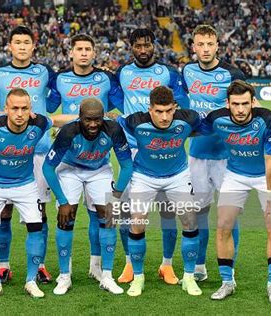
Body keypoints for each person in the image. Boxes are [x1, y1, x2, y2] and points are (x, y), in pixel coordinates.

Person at [46, 33, 124, 281]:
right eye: (78, 48)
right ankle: (64, 274)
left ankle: (96, 265)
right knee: (67, 215)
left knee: (98, 214)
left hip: (97, 149)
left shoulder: (106, 78)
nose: (83, 53)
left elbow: (119, 105)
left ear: (93, 53)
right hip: (69, 147)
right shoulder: (61, 78)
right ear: (71, 52)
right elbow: (47, 107)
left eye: (87, 49)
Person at [0, 25, 56, 284]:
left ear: (33, 46)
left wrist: (43, 115)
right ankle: (4, 265)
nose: (22, 46)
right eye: (17, 42)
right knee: (4, 212)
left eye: (27, 42)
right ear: (9, 46)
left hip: (40, 150)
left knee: (40, 211)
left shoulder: (45, 72)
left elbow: (58, 95)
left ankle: (41, 265)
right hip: (6, 150)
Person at [115, 28, 189, 284]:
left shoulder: (167, 73)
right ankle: (129, 263)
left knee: (168, 211)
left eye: (147, 45)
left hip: (164, 149)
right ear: (131, 46)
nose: (143, 50)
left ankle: (166, 265)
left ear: (154, 45)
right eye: (138, 46)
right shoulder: (122, 73)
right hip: (132, 150)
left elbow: (182, 104)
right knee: (126, 211)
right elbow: (115, 99)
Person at [200, 80, 271, 303]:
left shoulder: (267, 119)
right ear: (227, 103)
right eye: (235, 104)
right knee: (223, 225)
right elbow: (193, 129)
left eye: (245, 104)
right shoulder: (216, 118)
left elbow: (270, 162)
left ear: (253, 102)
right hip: (235, 175)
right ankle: (227, 282)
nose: (240, 109)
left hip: (267, 175)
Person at [118, 86, 202, 297]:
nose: (164, 117)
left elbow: (215, 122)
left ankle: (189, 277)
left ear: (175, 107)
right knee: (137, 223)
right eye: (158, 111)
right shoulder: (135, 121)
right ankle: (138, 278)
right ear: (150, 109)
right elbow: (107, 122)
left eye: (168, 111)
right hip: (144, 176)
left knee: (190, 221)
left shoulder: (188, 119)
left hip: (178, 176)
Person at [43, 98, 133, 295]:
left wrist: (115, 196)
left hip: (99, 170)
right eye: (88, 120)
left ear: (103, 117)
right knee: (67, 218)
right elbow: (47, 167)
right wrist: (63, 202)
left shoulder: (113, 130)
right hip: (70, 169)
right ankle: (64, 276)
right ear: (80, 118)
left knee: (107, 216)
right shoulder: (68, 131)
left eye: (97, 120)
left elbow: (127, 166)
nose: (93, 125)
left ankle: (104, 274)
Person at [0, 88, 53, 299]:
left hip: (25, 184)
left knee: (36, 228)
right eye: (15, 108)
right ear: (5, 109)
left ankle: (30, 280)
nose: (19, 113)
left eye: (24, 108)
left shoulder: (40, 123)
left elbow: (58, 120)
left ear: (31, 110)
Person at [182, 24, 246, 281]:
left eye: (210, 44)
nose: (206, 49)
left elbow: (248, 106)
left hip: (227, 156)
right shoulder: (186, 71)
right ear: (194, 47)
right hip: (197, 154)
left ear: (218, 45)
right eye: (201, 44)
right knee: (199, 212)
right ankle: (199, 266)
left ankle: (229, 266)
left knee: (229, 212)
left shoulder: (232, 73)